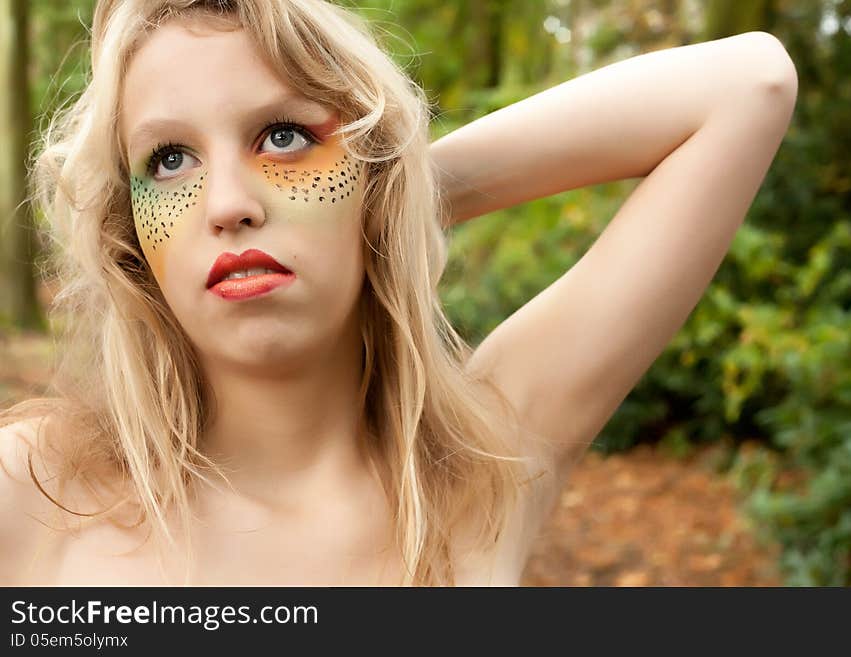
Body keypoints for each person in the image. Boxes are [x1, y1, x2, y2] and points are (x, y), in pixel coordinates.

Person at [0, 0, 798, 586]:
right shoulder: (34, 491)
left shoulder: (487, 467)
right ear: (129, 233)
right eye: (170, 158)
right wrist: (333, 196)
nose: (227, 204)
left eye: (285, 137)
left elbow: (749, 83)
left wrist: (393, 202)